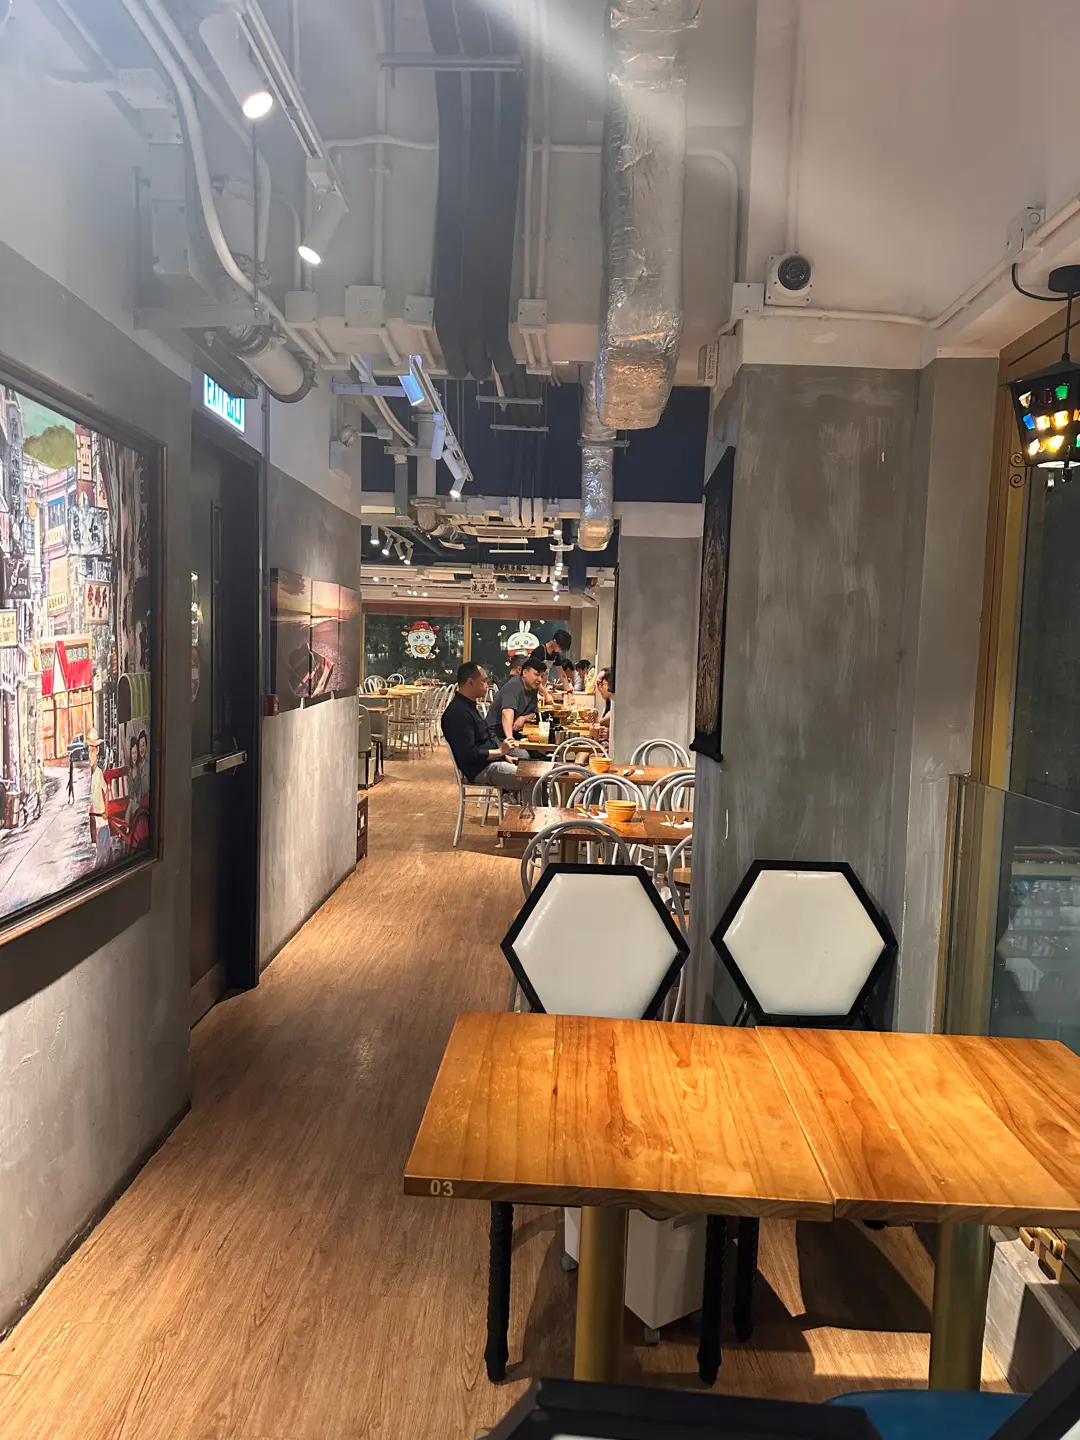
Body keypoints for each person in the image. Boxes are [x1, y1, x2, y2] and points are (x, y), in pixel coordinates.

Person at [441, 661, 526, 793]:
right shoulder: (457, 713)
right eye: (484, 681)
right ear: (470, 683)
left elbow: (484, 741)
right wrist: (500, 752)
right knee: (531, 778)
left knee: (532, 771)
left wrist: (504, 757)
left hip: (490, 763)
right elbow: (469, 754)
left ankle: (519, 801)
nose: (487, 685)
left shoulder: (468, 706)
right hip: (480, 770)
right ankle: (528, 806)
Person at [489, 657, 545, 753]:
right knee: (524, 754)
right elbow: (507, 712)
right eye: (536, 674)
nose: (540, 680)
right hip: (495, 736)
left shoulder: (533, 688)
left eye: (542, 676)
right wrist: (510, 740)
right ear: (525, 673)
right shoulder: (514, 685)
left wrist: (523, 718)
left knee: (539, 751)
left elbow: (534, 713)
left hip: (515, 734)